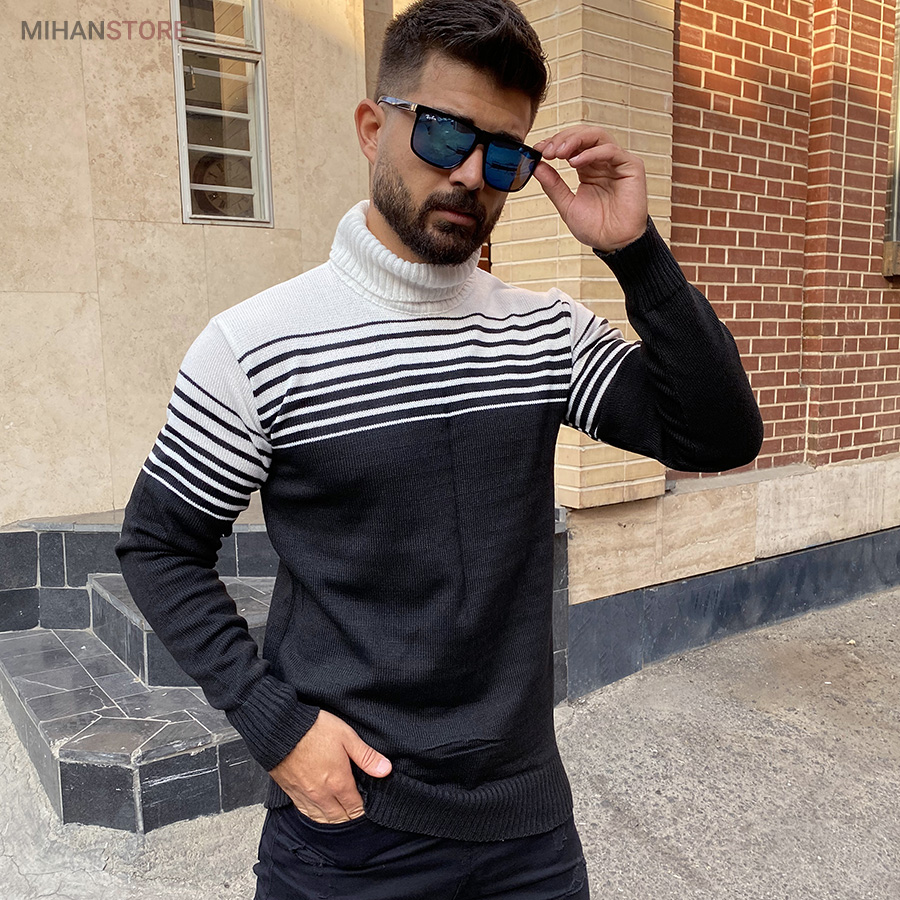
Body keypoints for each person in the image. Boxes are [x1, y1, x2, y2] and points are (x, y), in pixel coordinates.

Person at [116, 0, 763, 896]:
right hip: (347, 831)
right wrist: (276, 727)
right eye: (444, 133)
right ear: (371, 127)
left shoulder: (542, 335)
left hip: (527, 829)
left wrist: (636, 252)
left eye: (503, 154)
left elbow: (719, 435)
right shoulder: (258, 345)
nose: (468, 174)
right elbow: (158, 546)